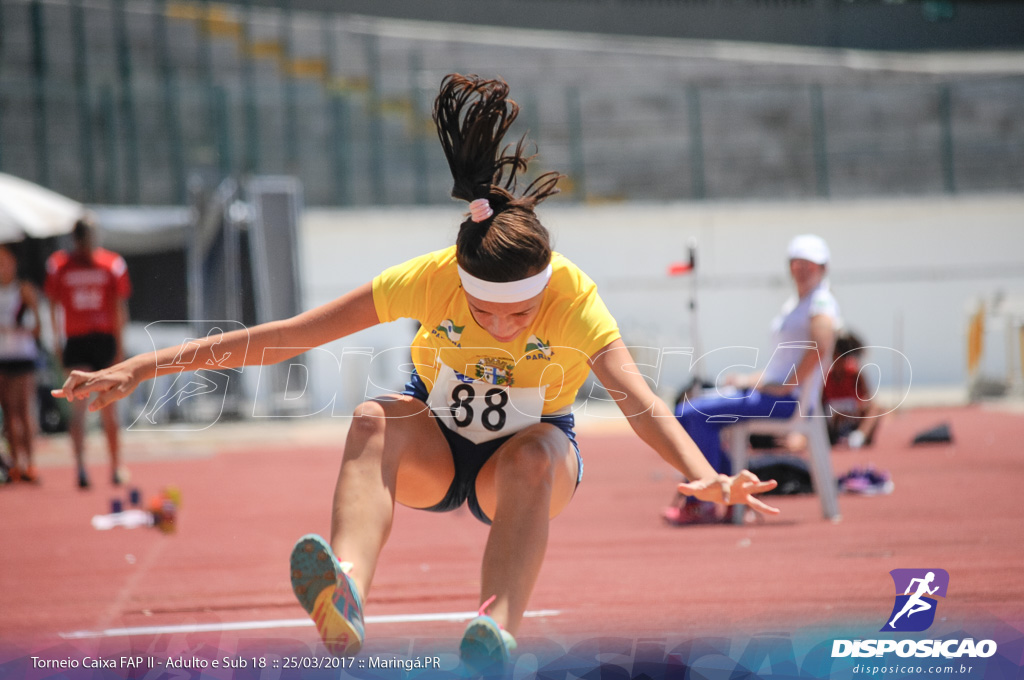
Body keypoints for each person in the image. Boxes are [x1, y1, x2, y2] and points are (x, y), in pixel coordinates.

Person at [52, 74, 779, 673]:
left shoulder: (574, 299)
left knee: (536, 455)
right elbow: (287, 338)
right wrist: (145, 365)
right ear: (458, 283)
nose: (502, 326)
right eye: (485, 312)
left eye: (519, 315)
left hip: (524, 466)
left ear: (544, 290)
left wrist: (701, 471)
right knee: (376, 416)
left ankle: (495, 628)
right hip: (432, 442)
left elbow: (639, 398)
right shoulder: (429, 278)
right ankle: (347, 594)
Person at [665, 233, 840, 526]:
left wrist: (787, 385)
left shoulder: (820, 301)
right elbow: (779, 366)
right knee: (687, 411)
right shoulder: (797, 303)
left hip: (787, 401)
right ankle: (730, 493)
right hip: (774, 395)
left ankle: (705, 501)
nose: (802, 268)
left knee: (693, 413)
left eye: (809, 263)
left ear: (823, 267)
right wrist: (747, 379)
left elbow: (820, 347)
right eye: (796, 262)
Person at [45, 217, 132, 489]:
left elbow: (119, 308)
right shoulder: (59, 265)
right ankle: (83, 468)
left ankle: (114, 465)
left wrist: (119, 345)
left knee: (108, 406)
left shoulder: (111, 264)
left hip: (101, 339)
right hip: (80, 339)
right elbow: (53, 308)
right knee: (80, 408)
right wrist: (58, 345)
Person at [0, 244, 43, 484]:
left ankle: (31, 462)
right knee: (8, 414)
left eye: (5, 261)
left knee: (23, 411)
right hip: (2, 357)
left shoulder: (23, 290)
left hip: (23, 356)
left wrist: (19, 327)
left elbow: (38, 327)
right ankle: (15, 463)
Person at [824, 328, 882, 449]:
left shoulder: (855, 374)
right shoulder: (825, 378)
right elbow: (819, 406)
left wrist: (851, 412)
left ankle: (858, 438)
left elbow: (868, 401)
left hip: (853, 421)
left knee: (876, 407)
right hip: (834, 425)